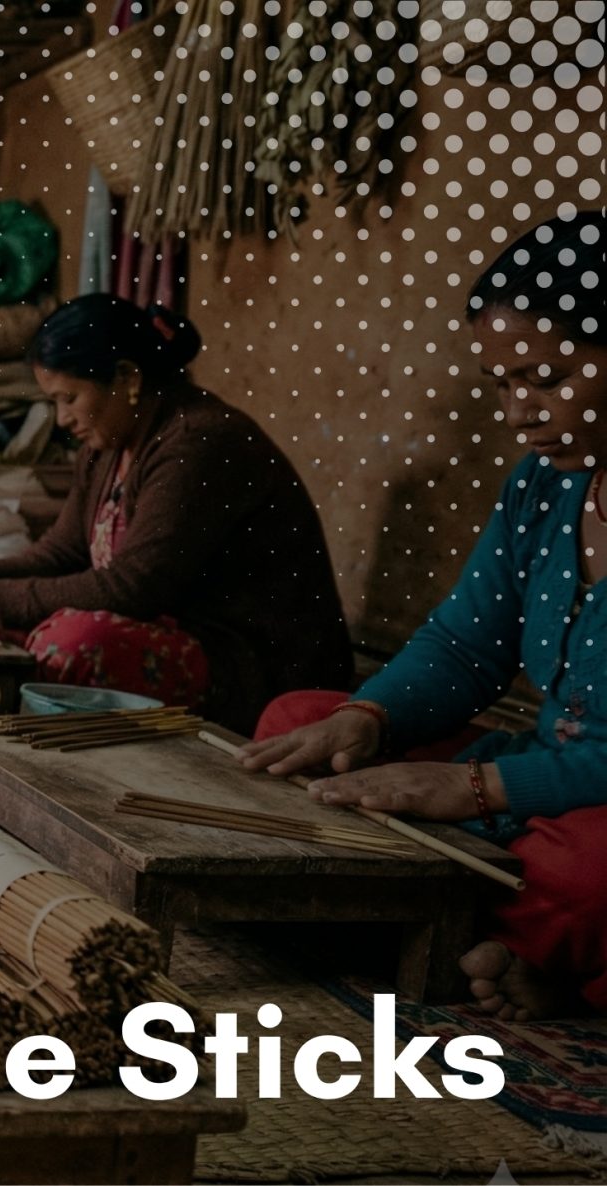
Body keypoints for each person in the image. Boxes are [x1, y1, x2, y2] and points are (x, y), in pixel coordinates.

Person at [243, 211, 607, 1020]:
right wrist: (371, 717)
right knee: (301, 727)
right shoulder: (545, 488)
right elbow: (465, 645)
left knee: (588, 874)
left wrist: (473, 787)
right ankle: (511, 944)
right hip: (535, 775)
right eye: (504, 384)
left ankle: (490, 936)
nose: (520, 410)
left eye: (547, 379)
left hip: (585, 810)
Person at [0, 294, 351, 730]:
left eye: (69, 398)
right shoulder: (109, 441)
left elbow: (135, 587)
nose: (62, 419)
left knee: (70, 643)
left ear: (127, 377)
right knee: (2, 623)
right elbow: (62, 552)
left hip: (252, 666)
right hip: (172, 630)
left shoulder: (200, 443)